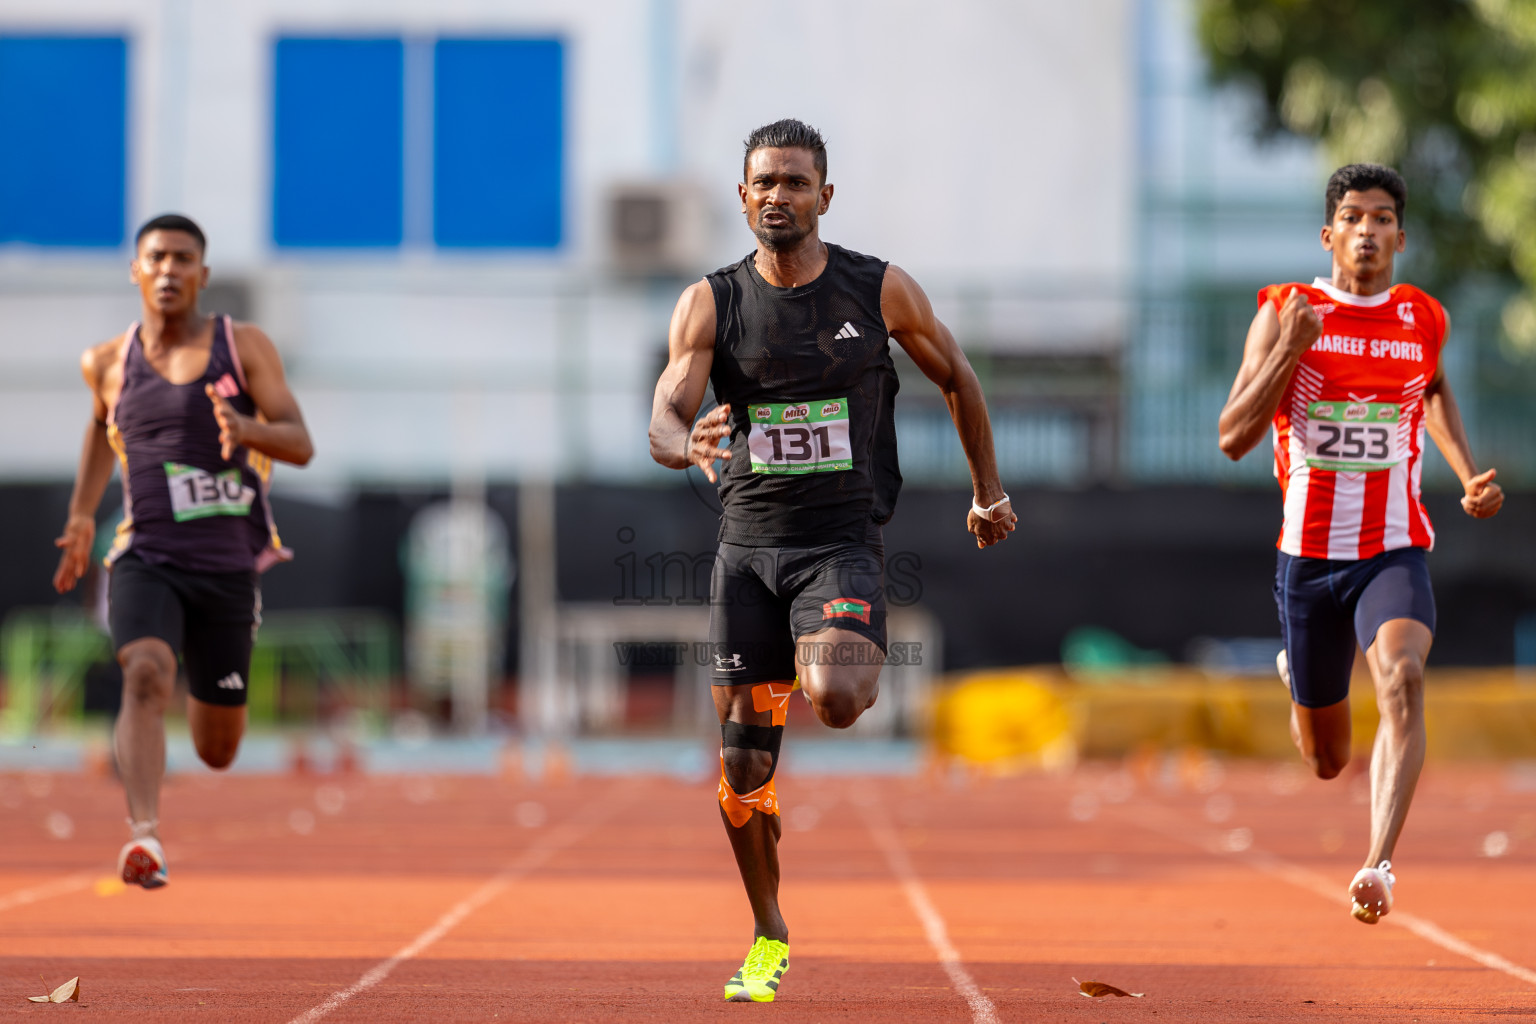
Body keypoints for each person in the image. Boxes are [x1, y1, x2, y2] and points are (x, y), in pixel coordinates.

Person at [648, 119, 1016, 1002]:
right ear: (743, 197)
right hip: (747, 555)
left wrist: (987, 488)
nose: (778, 196)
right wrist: (681, 440)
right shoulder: (709, 303)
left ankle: (811, 673)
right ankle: (768, 929)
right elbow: (665, 415)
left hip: (838, 548)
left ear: (826, 194)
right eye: (763, 183)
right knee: (743, 770)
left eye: (795, 182)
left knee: (841, 694)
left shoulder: (876, 290)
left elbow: (958, 375)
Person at [1218, 164, 1503, 923]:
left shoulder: (1422, 318)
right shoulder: (1286, 310)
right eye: (1353, 216)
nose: (1368, 230)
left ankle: (1378, 864)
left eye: (1382, 218)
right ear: (1329, 234)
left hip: (1393, 548)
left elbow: (1433, 385)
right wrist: (1290, 350)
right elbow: (1232, 438)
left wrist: (1467, 471)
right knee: (1325, 760)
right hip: (1308, 560)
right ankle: (1299, 677)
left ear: (1400, 238)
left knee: (1404, 679)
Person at [52, 214, 314, 888]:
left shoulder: (243, 345)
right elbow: (95, 427)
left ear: (203, 274)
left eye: (183, 258)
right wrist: (83, 516)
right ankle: (145, 837)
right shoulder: (106, 362)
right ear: (136, 271)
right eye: (157, 257)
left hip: (227, 565)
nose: (168, 269)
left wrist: (247, 426)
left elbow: (300, 442)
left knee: (218, 748)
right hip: (148, 555)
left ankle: (206, 713)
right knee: (143, 671)